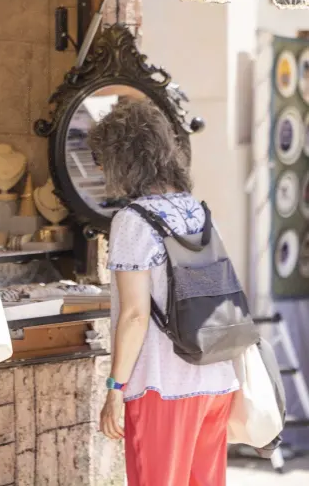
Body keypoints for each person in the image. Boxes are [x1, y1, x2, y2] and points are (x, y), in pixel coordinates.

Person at [89, 98, 238, 486]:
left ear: (122, 160)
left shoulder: (133, 220)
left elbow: (135, 315)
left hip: (163, 383)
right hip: (215, 376)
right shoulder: (199, 211)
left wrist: (114, 388)